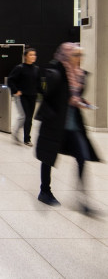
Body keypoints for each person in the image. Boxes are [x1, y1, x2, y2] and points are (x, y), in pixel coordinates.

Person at [35, 42, 99, 212]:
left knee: (82, 157)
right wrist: (65, 101)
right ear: (66, 55)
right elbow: (48, 97)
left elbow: (75, 96)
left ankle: (83, 200)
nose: (79, 59)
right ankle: (44, 191)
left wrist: (81, 101)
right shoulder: (55, 73)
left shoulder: (80, 75)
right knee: (48, 158)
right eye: (75, 55)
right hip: (55, 123)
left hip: (73, 125)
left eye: (80, 55)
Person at [7, 47, 43, 146]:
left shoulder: (36, 69)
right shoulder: (20, 68)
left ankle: (27, 138)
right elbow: (10, 80)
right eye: (31, 55)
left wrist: (44, 94)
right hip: (22, 96)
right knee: (25, 116)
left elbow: (38, 84)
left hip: (33, 96)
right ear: (25, 56)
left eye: (34, 55)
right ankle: (21, 135)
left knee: (29, 118)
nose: (33, 57)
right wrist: (15, 90)